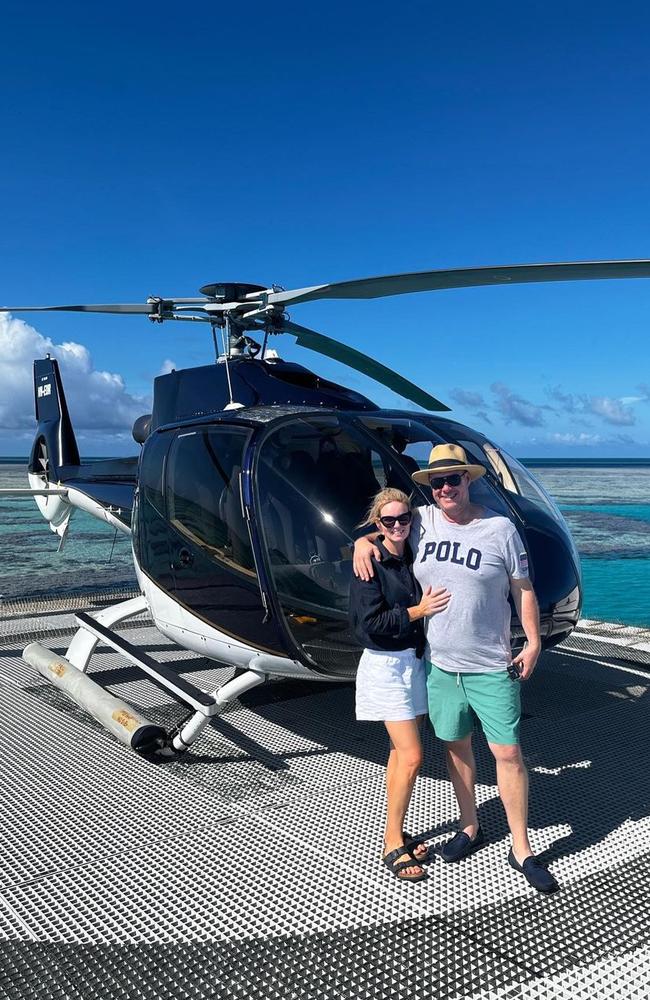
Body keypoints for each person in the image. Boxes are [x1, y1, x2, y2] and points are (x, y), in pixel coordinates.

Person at [353, 444, 559, 894]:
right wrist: (360, 542)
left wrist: (534, 640)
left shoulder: (499, 528)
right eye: (438, 481)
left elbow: (522, 588)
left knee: (507, 753)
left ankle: (521, 848)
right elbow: (386, 527)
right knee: (456, 749)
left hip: (491, 664)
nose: (446, 487)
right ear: (431, 487)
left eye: (455, 479)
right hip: (441, 666)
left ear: (470, 480)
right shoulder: (421, 520)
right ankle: (470, 827)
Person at [349, 487, 450, 882]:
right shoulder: (369, 564)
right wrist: (418, 611)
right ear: (378, 524)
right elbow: (367, 625)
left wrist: (363, 538)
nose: (397, 526)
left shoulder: (411, 552)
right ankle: (392, 842)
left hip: (414, 663)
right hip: (386, 667)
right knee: (412, 756)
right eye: (387, 522)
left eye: (403, 519)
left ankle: (396, 830)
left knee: (397, 754)